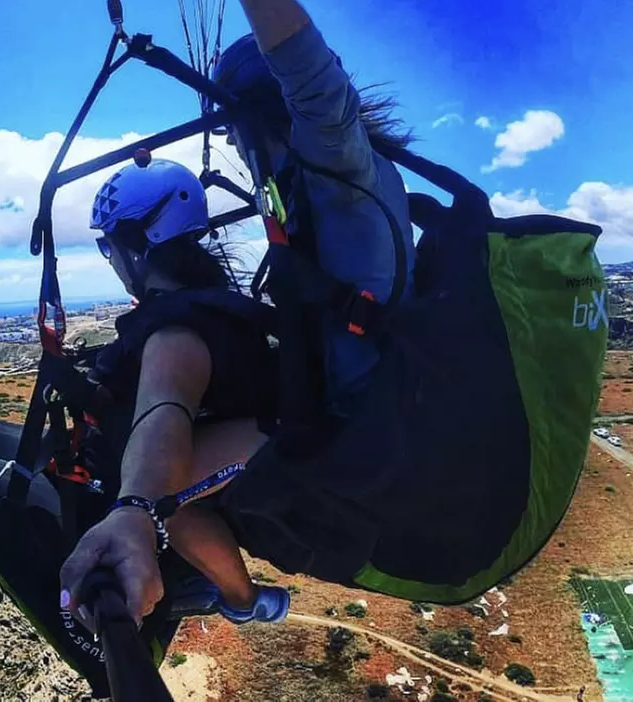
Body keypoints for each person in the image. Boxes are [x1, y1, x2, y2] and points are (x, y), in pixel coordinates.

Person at [0, 157, 291, 656]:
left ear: (138, 248)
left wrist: (135, 506)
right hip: (100, 462)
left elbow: (167, 411)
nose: (108, 259)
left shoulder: (176, 333)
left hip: (102, 492)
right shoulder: (204, 306)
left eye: (107, 246)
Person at [59, 0, 414, 629]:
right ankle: (234, 589)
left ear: (262, 111)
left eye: (234, 128)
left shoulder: (337, 161)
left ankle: (246, 603)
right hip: (332, 399)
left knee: (143, 491)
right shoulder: (310, 189)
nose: (236, 147)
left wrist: (138, 505)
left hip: (345, 421)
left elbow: (308, 72)